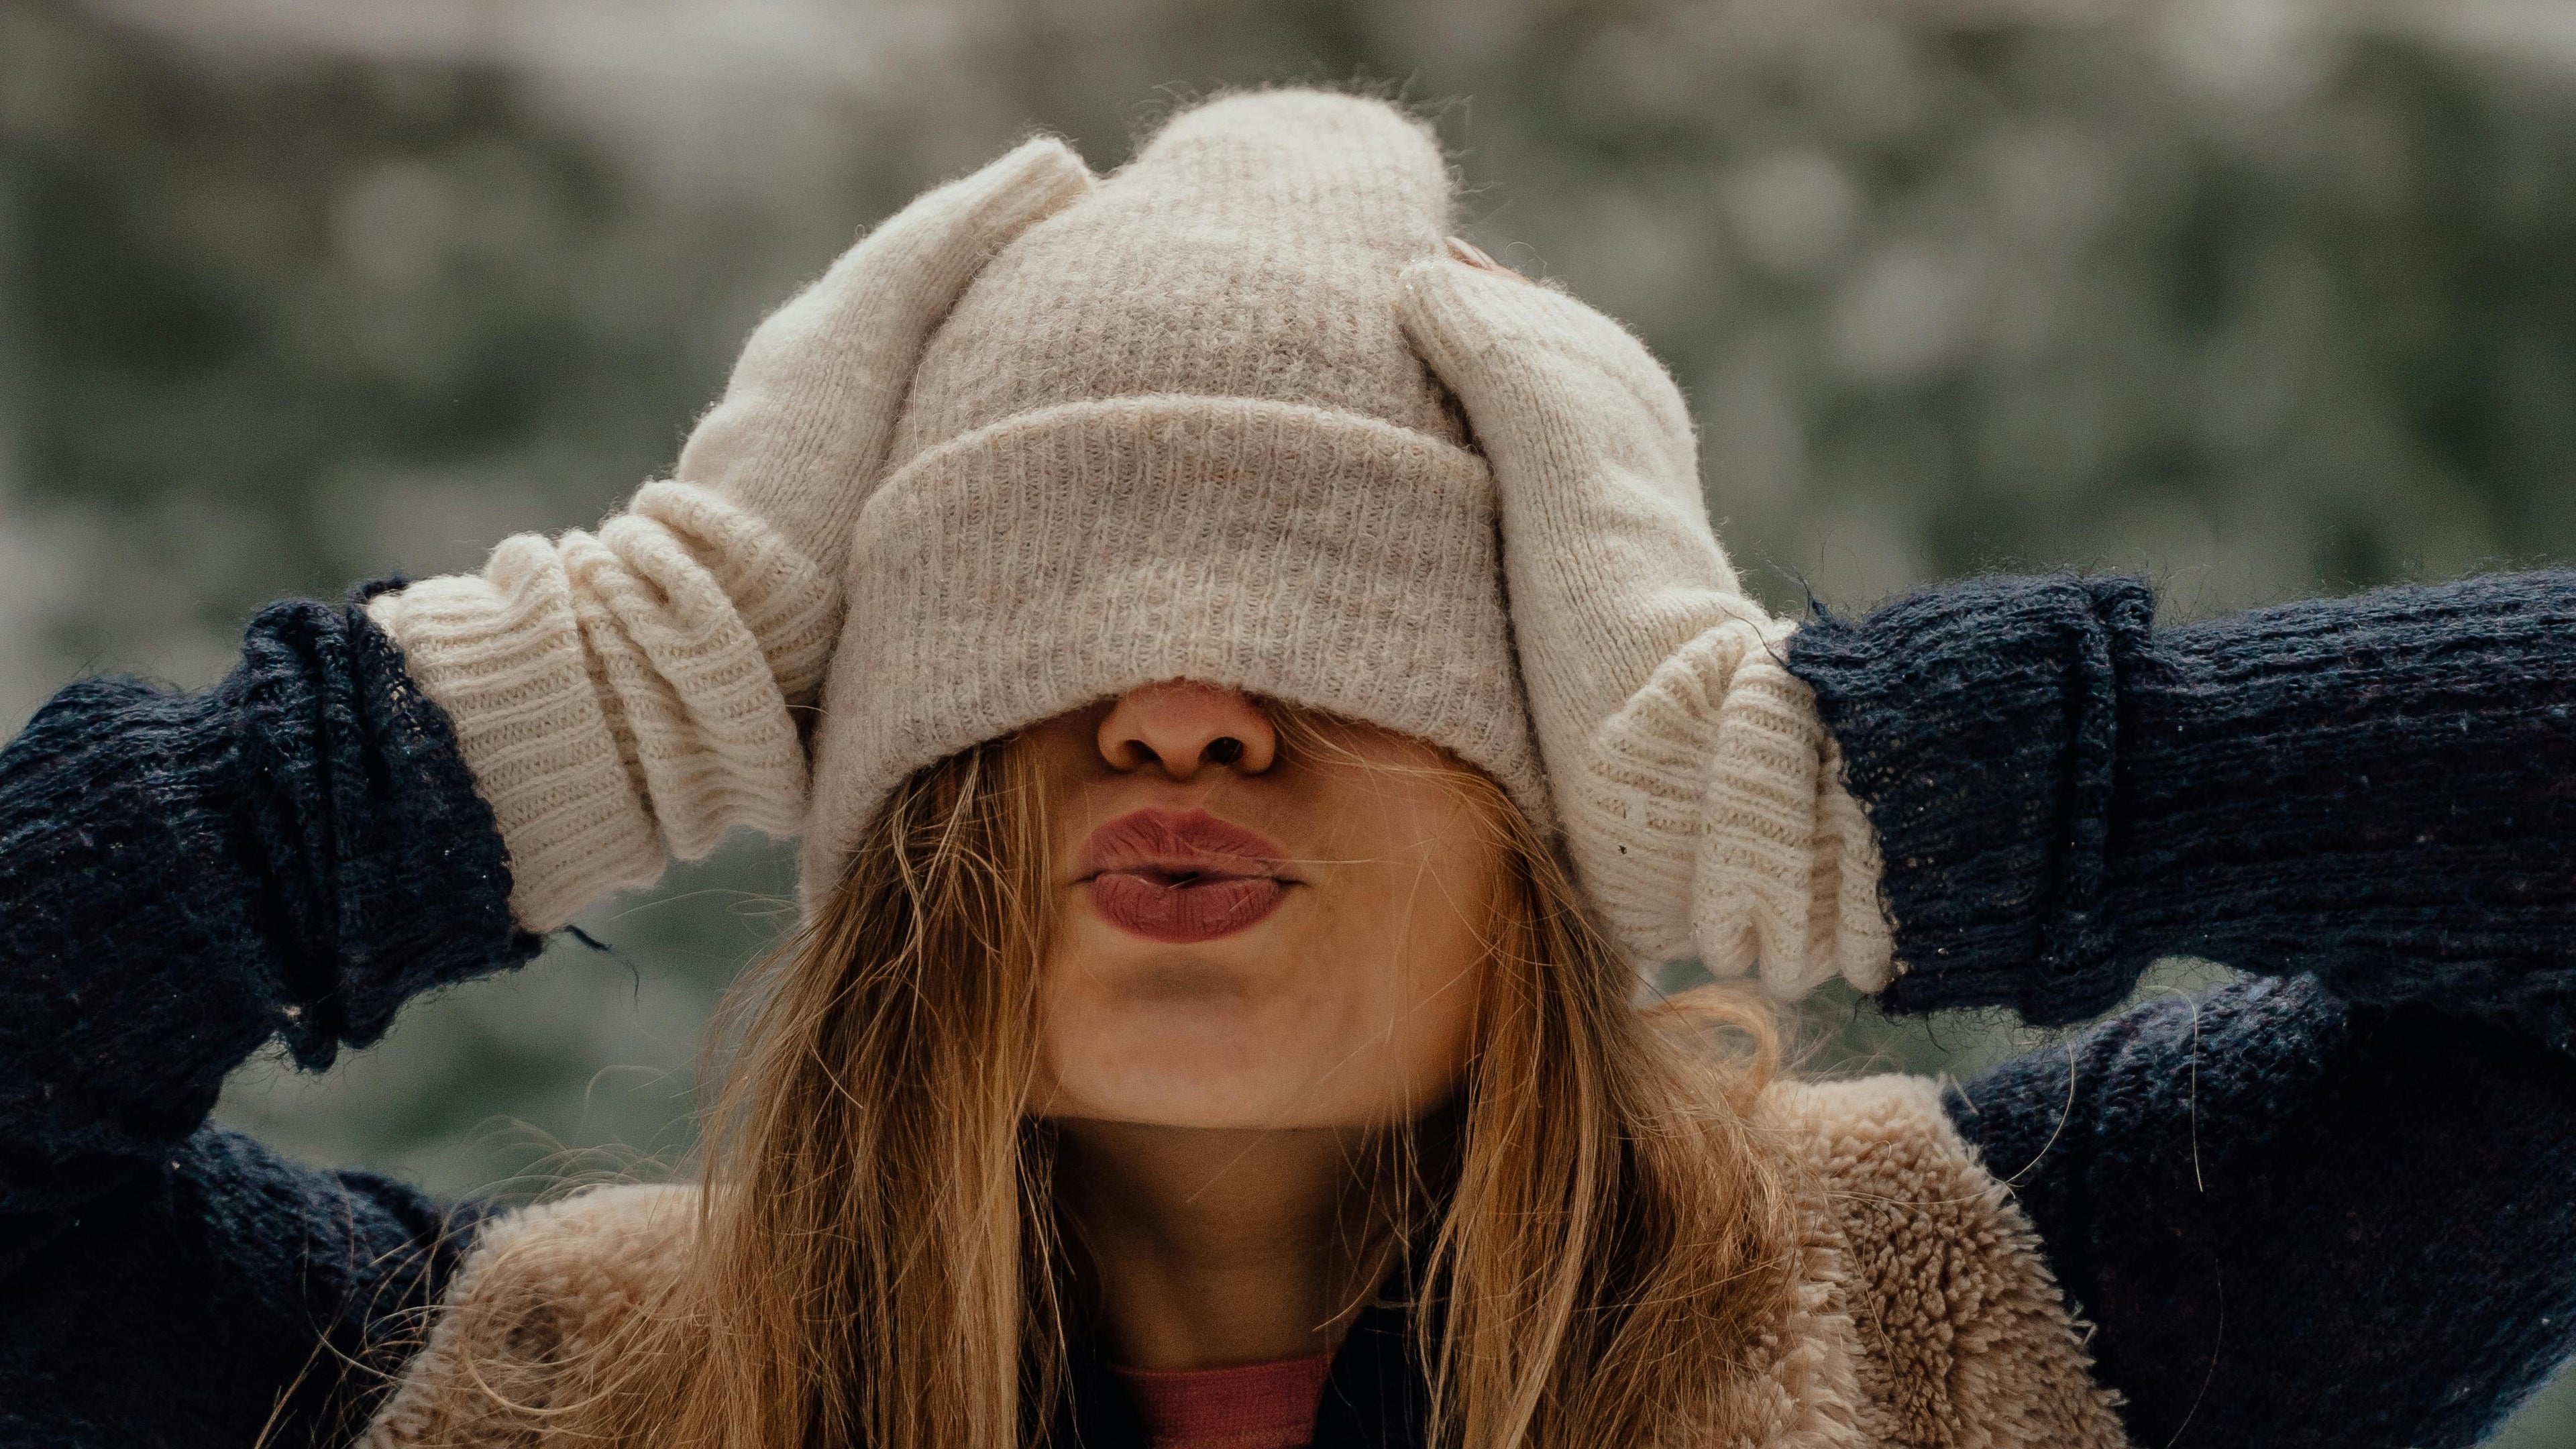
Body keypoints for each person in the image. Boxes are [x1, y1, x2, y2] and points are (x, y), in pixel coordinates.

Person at [3, 87, 2572, 1449]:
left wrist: (1869, 789)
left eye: (1358, 633)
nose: (1187, 712)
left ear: (1571, 786)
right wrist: (576, 697)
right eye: (1051, 629)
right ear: (899, 796)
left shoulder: (2004, 1321)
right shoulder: (510, 1394)